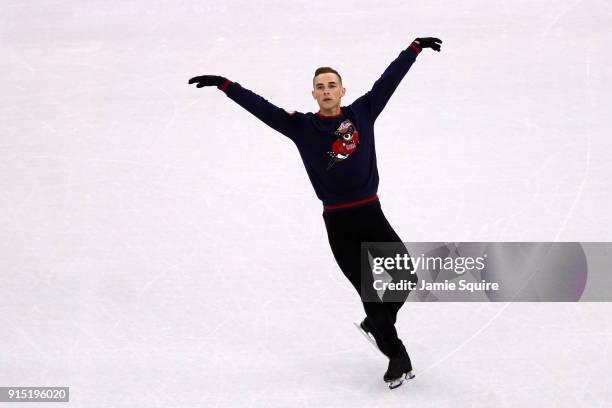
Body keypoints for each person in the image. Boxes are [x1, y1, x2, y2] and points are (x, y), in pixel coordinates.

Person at [189, 37, 442, 387]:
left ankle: (376, 324)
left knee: (406, 278)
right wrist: (227, 85)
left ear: (342, 90)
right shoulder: (302, 126)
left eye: (332, 86)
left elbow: (389, 81)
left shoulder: (362, 113)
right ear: (313, 94)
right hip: (339, 222)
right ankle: (396, 355)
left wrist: (413, 49)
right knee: (369, 291)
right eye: (320, 87)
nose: (326, 91)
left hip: (371, 213)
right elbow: (263, 108)